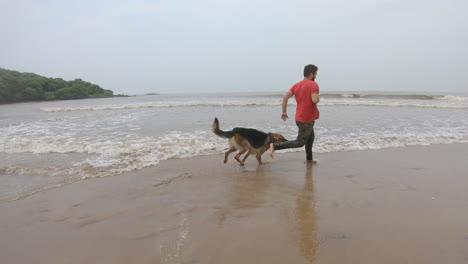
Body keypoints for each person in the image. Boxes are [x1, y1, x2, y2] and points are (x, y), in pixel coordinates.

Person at [269, 64, 320, 164]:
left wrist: (284, 112)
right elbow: (315, 100)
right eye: (315, 74)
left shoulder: (297, 85)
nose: (316, 76)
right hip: (306, 119)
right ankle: (275, 146)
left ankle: (309, 160)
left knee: (310, 138)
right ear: (311, 74)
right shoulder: (314, 84)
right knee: (300, 142)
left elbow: (285, 97)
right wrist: (318, 98)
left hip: (301, 117)